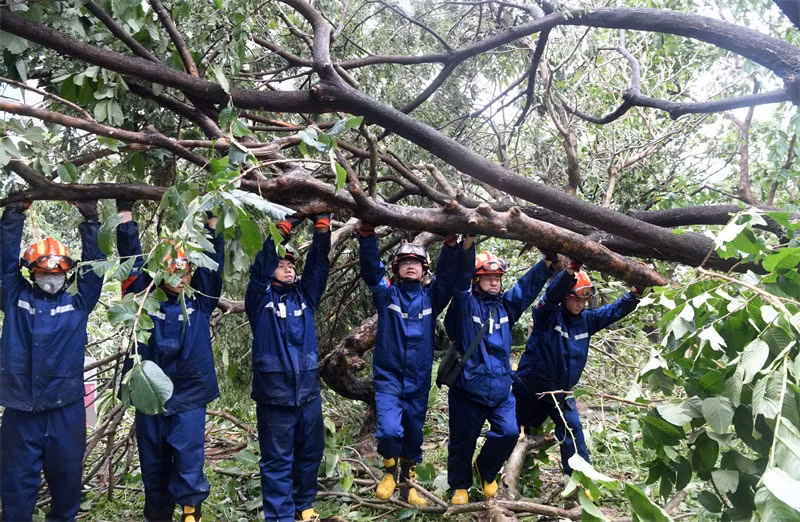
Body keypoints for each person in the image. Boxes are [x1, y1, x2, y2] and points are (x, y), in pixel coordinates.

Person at [116, 201, 225, 522]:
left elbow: (212, 261)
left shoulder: (201, 300)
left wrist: (212, 222)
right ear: (160, 270)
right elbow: (130, 261)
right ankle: (158, 516)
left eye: (185, 270)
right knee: (153, 463)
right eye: (173, 269)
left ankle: (191, 513)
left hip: (190, 393)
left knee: (189, 457)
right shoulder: (142, 297)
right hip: (149, 393)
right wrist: (125, 215)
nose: (180, 276)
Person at [0, 199, 105, 521]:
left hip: (66, 409)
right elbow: (3, 264)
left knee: (67, 484)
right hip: (21, 410)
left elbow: (95, 268)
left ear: (67, 272)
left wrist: (91, 219)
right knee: (16, 487)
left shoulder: (78, 302)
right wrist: (14, 215)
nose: (51, 278)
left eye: (57, 272)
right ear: (31, 272)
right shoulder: (15, 298)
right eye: (44, 272)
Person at [444, 243, 556, 504]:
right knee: (463, 442)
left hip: (501, 391)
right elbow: (459, 287)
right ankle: (459, 486)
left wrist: (547, 265)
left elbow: (525, 290)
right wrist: (468, 246)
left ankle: (486, 469)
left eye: (497, 278)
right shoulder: (465, 306)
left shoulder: (506, 308)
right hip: (467, 390)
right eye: (487, 278)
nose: (494, 283)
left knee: (507, 433)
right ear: (475, 280)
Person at [359, 224, 460, 506]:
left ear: (425, 268)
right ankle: (390, 470)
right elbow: (370, 272)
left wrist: (451, 247)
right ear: (396, 268)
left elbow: (449, 279)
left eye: (416, 263)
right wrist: (367, 235)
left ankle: (408, 483)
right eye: (405, 263)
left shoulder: (431, 298)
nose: (411, 267)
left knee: (414, 434)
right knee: (390, 430)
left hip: (418, 380)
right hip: (389, 378)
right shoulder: (387, 295)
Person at [513, 259, 643, 475]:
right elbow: (550, 296)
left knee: (573, 430)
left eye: (585, 299)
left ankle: (580, 480)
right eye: (576, 299)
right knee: (518, 430)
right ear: (565, 297)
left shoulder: (587, 320)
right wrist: (569, 273)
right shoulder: (547, 316)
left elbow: (613, 311)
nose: (582, 303)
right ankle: (514, 471)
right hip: (529, 387)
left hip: (561, 391)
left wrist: (636, 294)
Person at [245, 213, 331, 522]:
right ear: (271, 270)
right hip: (275, 398)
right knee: (277, 460)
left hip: (308, 395)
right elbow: (259, 267)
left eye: (292, 264)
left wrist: (322, 229)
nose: (289, 267)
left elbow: (319, 267)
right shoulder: (259, 299)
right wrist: (286, 225)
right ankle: (279, 516)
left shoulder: (305, 298)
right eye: (282, 264)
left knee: (310, 454)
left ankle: (303, 505)